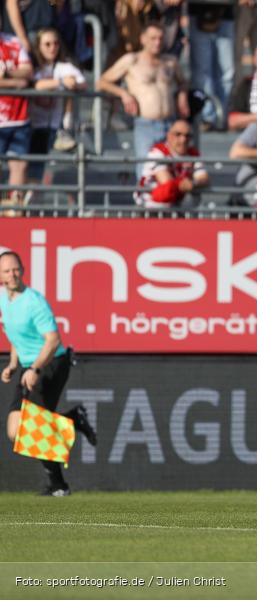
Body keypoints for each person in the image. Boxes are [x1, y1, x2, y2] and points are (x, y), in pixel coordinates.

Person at [1, 251, 96, 497]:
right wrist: (13, 363)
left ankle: (58, 486)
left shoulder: (34, 302)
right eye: (6, 271)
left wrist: (35, 369)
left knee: (35, 426)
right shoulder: (3, 299)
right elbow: (16, 335)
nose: (12, 275)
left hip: (52, 362)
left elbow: (53, 341)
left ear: (22, 270)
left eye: (16, 269)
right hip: (28, 366)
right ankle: (74, 419)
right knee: (15, 431)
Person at [99, 22, 190, 178]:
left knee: (173, 172)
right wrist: (123, 93)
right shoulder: (132, 60)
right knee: (146, 171)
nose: (157, 42)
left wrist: (182, 96)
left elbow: (183, 82)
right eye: (153, 38)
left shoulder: (170, 62)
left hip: (170, 123)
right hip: (146, 124)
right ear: (143, 39)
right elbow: (102, 82)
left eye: (160, 38)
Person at [28, 27, 86, 186]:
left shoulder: (64, 66)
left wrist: (73, 84)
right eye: (47, 44)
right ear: (38, 46)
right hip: (30, 124)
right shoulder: (32, 66)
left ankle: (27, 202)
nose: (52, 48)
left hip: (51, 126)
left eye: (55, 44)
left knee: (35, 168)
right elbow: (34, 85)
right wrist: (60, 82)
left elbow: (82, 83)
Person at [135, 119, 208, 208]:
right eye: (178, 134)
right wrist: (185, 183)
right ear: (169, 135)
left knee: (194, 196)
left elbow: (204, 178)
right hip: (151, 205)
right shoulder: (157, 151)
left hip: (176, 203)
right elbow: (166, 182)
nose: (183, 139)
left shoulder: (193, 154)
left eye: (188, 136)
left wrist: (193, 183)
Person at [188, 0, 235, 131]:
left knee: (227, 72)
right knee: (202, 72)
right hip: (198, 12)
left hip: (225, 14)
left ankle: (222, 117)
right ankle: (207, 116)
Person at [0, 27, 31, 210]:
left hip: (18, 117)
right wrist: (15, 82)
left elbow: (27, 71)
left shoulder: (13, 41)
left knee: (19, 166)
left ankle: (14, 210)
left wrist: (6, 75)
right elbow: (21, 80)